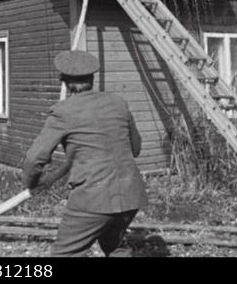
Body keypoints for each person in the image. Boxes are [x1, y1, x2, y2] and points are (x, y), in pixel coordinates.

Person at [22, 50, 148, 257]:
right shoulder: (118, 103)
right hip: (130, 196)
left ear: (64, 81)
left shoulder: (63, 111)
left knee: (64, 254)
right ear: (91, 78)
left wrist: (31, 183)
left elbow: (35, 158)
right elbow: (136, 148)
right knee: (115, 246)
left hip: (93, 200)